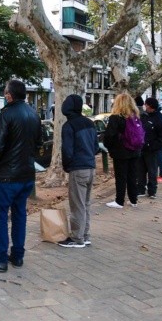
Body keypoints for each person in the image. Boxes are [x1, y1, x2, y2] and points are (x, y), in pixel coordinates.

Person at [0, 80, 41, 272]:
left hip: (7, 176)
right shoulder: (34, 115)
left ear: (9, 95)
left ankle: (0, 258)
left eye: (5, 92)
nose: (4, 95)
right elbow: (38, 144)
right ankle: (17, 255)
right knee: (19, 214)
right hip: (26, 174)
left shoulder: (5, 115)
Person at [58, 94, 97, 248]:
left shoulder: (69, 126)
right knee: (85, 204)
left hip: (78, 168)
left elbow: (67, 151)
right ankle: (85, 235)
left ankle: (76, 238)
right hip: (90, 167)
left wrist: (67, 166)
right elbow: (95, 147)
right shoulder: (89, 123)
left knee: (77, 205)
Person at [102, 93, 142, 209]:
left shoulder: (115, 118)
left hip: (121, 152)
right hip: (135, 150)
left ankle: (119, 201)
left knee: (121, 177)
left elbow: (109, 136)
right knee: (132, 176)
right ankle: (133, 200)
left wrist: (109, 147)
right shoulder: (135, 116)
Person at [137, 97, 162, 199]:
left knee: (152, 171)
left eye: (146, 104)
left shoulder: (160, 119)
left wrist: (153, 146)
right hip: (141, 148)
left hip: (153, 150)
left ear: (150, 106)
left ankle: (152, 191)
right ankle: (140, 189)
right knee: (140, 171)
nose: (144, 106)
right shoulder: (143, 116)